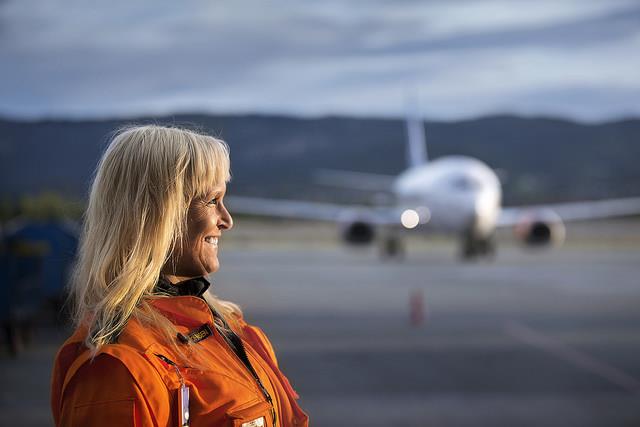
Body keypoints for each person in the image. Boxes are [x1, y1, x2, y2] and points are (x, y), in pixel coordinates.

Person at [50, 125, 308, 427]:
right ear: (159, 214)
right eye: (212, 201)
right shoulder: (121, 368)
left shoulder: (234, 329)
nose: (227, 220)